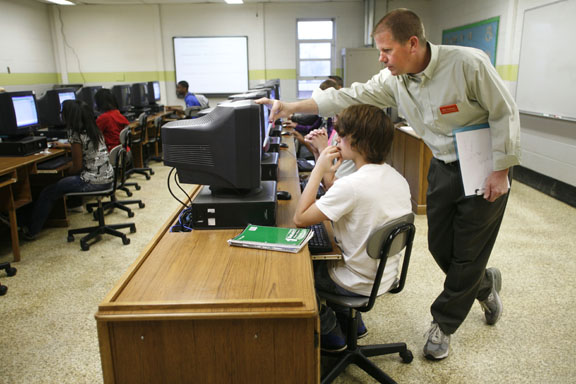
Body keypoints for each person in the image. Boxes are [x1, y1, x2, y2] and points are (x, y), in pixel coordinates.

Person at [259, 8, 521, 360]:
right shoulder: (393, 80)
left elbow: (505, 111)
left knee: (469, 252)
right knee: (441, 248)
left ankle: (443, 325)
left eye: (386, 51)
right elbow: (346, 96)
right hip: (443, 166)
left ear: (413, 43)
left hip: (485, 167)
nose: (381, 59)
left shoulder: (468, 64)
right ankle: (483, 283)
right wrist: (290, 105)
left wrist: (501, 170)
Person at [293, 104, 411, 352]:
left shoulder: (355, 186)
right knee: (326, 247)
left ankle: (331, 331)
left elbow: (300, 218)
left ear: (355, 141)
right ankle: (354, 324)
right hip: (384, 276)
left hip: (356, 281)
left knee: (299, 271)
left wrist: (316, 171)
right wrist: (323, 164)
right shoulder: (395, 177)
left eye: (341, 136)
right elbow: (344, 195)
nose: (337, 140)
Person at [21, 100, 114, 240]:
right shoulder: (93, 128)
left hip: (93, 181)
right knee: (60, 184)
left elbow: (76, 167)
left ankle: (31, 231)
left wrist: (63, 174)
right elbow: (86, 149)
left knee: (48, 191)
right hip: (107, 177)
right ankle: (73, 205)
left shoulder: (74, 133)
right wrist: (66, 148)